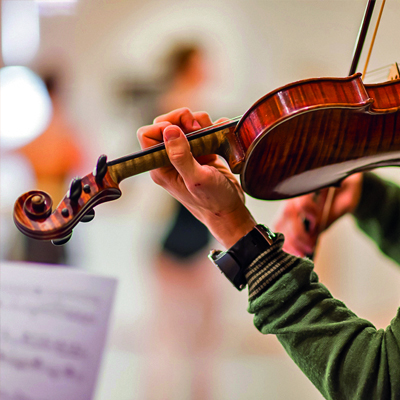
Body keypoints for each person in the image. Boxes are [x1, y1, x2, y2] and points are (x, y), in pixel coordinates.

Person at [137, 107, 400, 400]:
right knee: (171, 350)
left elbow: (383, 382)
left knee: (200, 350)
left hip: (191, 257)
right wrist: (372, 197)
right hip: (174, 257)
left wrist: (235, 227)